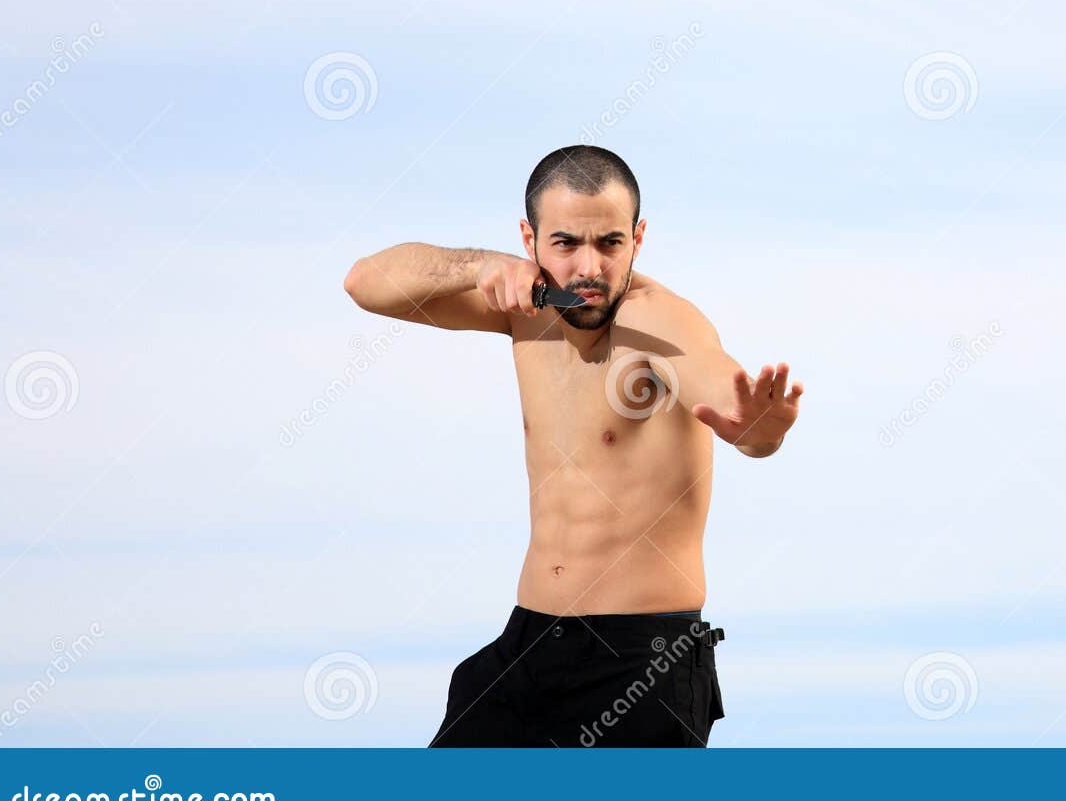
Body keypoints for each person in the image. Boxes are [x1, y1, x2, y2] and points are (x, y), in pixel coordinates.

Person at [341, 145, 803, 747]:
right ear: (529, 239)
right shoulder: (526, 309)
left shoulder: (658, 322)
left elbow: (724, 392)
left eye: (610, 243)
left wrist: (758, 429)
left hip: (641, 663)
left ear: (637, 239)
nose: (589, 267)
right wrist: (481, 265)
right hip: (529, 644)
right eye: (565, 244)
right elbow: (365, 283)